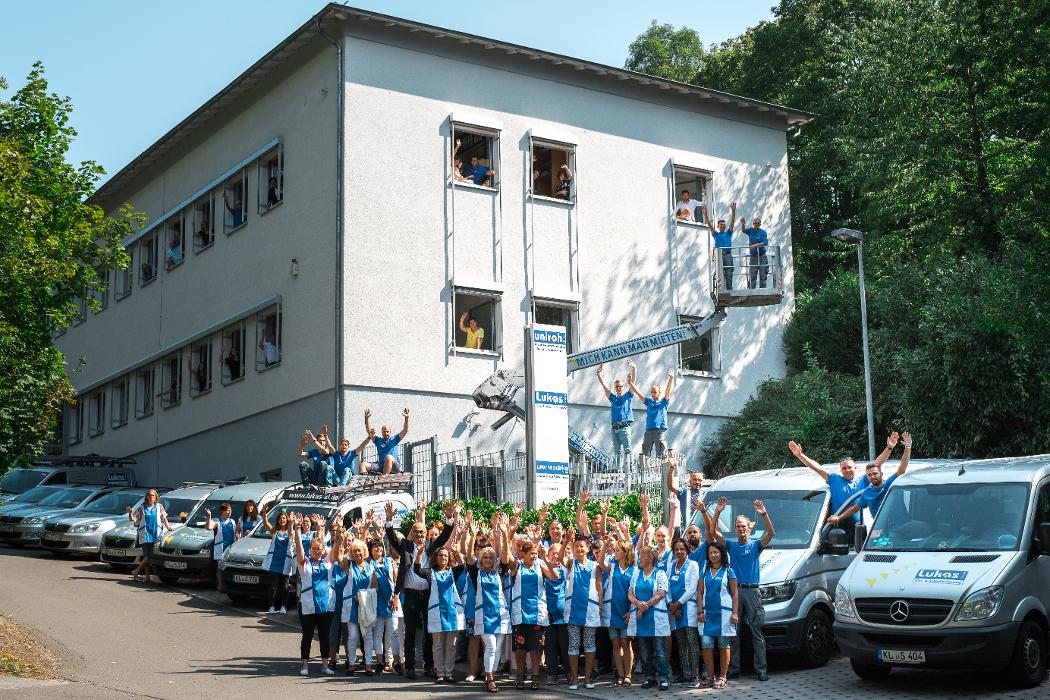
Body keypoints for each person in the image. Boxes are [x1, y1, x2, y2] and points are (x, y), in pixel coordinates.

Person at [702, 497, 775, 681]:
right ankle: (734, 669)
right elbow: (713, 531)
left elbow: (771, 533)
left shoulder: (756, 545)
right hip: (735, 592)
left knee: (757, 632)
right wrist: (718, 511)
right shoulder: (731, 545)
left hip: (752, 591)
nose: (741, 529)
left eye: (744, 526)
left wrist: (764, 514)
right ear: (735, 528)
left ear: (749, 528)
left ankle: (761, 669)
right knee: (733, 633)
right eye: (738, 526)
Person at [384, 499, 456, 680]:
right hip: (411, 595)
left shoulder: (432, 545)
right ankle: (409, 667)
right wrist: (389, 519)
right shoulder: (406, 547)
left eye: (422, 532)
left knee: (429, 632)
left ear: (426, 534)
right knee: (410, 632)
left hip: (429, 595)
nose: (419, 534)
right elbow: (391, 536)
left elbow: (445, 536)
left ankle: (429, 666)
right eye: (416, 532)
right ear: (412, 533)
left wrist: (449, 518)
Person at [788, 432, 899, 539]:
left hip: (857, 526)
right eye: (844, 468)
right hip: (837, 524)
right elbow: (816, 467)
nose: (847, 470)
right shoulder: (834, 479)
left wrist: (889, 448)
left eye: (850, 467)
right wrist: (800, 455)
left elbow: (877, 463)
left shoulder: (864, 480)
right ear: (840, 470)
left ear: (855, 468)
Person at [467, 512, 512, 693]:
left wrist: (502, 532)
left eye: (490, 558)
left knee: (497, 649)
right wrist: (472, 532)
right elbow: (470, 557)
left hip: (500, 614)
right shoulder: (475, 572)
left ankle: (490, 674)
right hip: (484, 616)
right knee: (491, 647)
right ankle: (490, 679)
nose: (487, 560)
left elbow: (506, 556)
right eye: (484, 557)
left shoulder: (498, 572)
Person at [415, 524, 466, 683]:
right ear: (435, 558)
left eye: (445, 556)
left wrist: (457, 552)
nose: (443, 558)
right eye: (440, 556)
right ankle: (440, 672)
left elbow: (463, 566)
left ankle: (449, 673)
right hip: (437, 612)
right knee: (437, 645)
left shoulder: (453, 571)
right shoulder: (430, 573)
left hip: (451, 612)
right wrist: (419, 554)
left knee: (451, 645)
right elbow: (417, 570)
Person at [829, 432, 913, 525]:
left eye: (875, 473)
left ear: (881, 474)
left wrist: (908, 447)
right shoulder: (866, 493)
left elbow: (902, 467)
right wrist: (839, 518)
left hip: (903, 526)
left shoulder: (890, 484)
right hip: (882, 531)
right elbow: (855, 508)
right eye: (869, 475)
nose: (872, 476)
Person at [508, 538, 557, 690]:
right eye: (531, 553)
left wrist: (545, 558)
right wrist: (504, 534)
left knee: (537, 648)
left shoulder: (540, 566)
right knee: (520, 649)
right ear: (523, 554)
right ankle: (521, 677)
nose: (534, 556)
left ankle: (535, 677)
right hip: (520, 614)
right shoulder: (517, 565)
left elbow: (554, 576)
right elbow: (507, 557)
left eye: (536, 554)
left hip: (538, 614)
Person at [292, 512, 335, 676]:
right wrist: (297, 529)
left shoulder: (327, 562)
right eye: (314, 549)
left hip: (325, 605)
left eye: (320, 549)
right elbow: (299, 547)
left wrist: (321, 528)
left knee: (324, 635)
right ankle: (304, 665)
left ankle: (325, 665)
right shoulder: (305, 563)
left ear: (323, 550)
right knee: (307, 636)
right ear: (310, 550)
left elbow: (332, 547)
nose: (317, 551)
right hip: (308, 605)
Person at [627, 544, 671, 690]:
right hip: (641, 619)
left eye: (642, 555)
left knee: (659, 650)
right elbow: (630, 593)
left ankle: (663, 678)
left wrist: (645, 605)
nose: (639, 558)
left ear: (650, 558)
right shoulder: (636, 574)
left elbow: (661, 592)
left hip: (655, 617)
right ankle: (650, 677)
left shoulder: (660, 573)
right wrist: (638, 604)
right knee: (644, 651)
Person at [564, 529, 603, 690]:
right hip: (573, 609)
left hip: (591, 610)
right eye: (576, 547)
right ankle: (574, 679)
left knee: (589, 644)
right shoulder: (570, 563)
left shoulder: (595, 565)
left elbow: (599, 586)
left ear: (587, 548)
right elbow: (560, 557)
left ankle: (587, 678)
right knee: (573, 645)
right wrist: (566, 541)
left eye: (582, 546)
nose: (579, 549)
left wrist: (600, 604)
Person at [697, 540, 738, 690]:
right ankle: (709, 677)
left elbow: (735, 594)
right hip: (707, 614)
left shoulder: (729, 571)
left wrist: (734, 613)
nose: (713, 555)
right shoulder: (704, 570)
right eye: (710, 552)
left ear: (722, 554)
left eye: (716, 552)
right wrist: (700, 611)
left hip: (724, 615)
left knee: (723, 645)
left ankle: (723, 677)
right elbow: (700, 592)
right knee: (707, 645)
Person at [597, 538, 636, 687]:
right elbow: (601, 563)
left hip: (627, 612)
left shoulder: (634, 570)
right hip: (612, 611)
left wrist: (632, 611)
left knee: (626, 643)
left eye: (618, 550)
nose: (615, 552)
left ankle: (628, 674)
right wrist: (605, 546)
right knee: (615, 644)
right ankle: (619, 674)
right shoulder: (613, 567)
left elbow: (636, 593)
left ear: (626, 553)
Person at [337, 536, 377, 676]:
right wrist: (338, 539)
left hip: (365, 607)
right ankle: (351, 664)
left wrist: (364, 595)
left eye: (359, 551)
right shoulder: (349, 565)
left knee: (368, 637)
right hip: (352, 607)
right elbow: (337, 556)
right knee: (352, 637)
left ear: (364, 551)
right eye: (354, 551)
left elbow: (375, 587)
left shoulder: (371, 567)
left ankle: (368, 665)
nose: (357, 554)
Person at [666, 538, 701, 687]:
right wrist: (671, 605)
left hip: (687, 608)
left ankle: (695, 676)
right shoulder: (671, 566)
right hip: (675, 610)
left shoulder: (693, 565)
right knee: (680, 643)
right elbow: (666, 586)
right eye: (676, 549)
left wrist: (677, 605)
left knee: (692, 642)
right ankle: (685, 674)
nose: (679, 552)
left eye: (682, 549)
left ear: (687, 550)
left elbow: (692, 588)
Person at [626, 359, 674, 459]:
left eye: (655, 392)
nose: (652, 394)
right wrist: (630, 383)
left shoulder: (663, 402)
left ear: (659, 392)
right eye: (651, 392)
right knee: (645, 453)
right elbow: (639, 393)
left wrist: (671, 378)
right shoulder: (649, 401)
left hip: (659, 431)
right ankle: (646, 471)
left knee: (661, 453)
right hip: (648, 430)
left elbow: (668, 390)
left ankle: (662, 471)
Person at [367, 538, 402, 674]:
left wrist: (396, 597)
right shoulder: (369, 564)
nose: (378, 548)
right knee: (378, 634)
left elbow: (397, 580)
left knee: (394, 632)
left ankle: (397, 662)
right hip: (376, 602)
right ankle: (380, 662)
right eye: (375, 547)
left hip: (391, 601)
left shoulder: (390, 561)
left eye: (380, 546)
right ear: (370, 550)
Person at [127, 488, 172, 583]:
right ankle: (141, 573)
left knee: (148, 557)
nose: (151, 497)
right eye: (149, 495)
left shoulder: (159, 506)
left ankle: (140, 573)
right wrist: (130, 513)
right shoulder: (142, 507)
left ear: (156, 497)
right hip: (145, 534)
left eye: (153, 495)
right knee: (147, 556)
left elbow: (164, 518)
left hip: (156, 534)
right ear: (146, 497)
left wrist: (168, 527)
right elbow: (133, 519)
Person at [596, 362, 635, 471]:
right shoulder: (613, 398)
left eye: (621, 386)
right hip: (614, 428)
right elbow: (604, 387)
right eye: (617, 386)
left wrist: (634, 368)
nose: (619, 388)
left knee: (628, 450)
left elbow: (633, 383)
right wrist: (599, 374)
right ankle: (619, 472)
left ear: (623, 387)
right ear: (615, 387)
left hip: (624, 427)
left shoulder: (628, 396)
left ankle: (630, 471)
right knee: (618, 452)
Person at [541, 541, 570, 685]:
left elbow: (557, 575)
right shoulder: (544, 569)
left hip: (564, 613)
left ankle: (570, 673)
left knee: (566, 646)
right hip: (549, 613)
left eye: (558, 553)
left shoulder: (565, 569)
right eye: (553, 554)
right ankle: (552, 673)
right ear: (548, 555)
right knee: (550, 646)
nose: (556, 556)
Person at [261, 504, 294, 614]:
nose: (282, 520)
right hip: (274, 562)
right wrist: (264, 513)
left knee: (284, 586)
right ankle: (271, 606)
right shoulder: (274, 531)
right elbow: (266, 524)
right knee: (273, 586)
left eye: (284, 518)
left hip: (285, 562)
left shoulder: (290, 532)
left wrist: (291, 522)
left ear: (287, 520)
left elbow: (290, 530)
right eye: (280, 518)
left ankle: (283, 606)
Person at [702, 202, 737, 290]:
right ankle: (720, 289)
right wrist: (705, 215)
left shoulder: (728, 233)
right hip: (719, 255)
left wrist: (733, 211)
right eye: (721, 225)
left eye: (724, 225)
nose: (723, 226)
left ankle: (729, 288)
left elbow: (732, 222)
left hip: (728, 255)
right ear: (718, 226)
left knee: (729, 272)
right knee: (719, 272)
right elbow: (710, 226)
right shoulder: (716, 234)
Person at [365, 408, 409, 475]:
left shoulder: (395, 439)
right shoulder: (378, 440)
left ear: (390, 432)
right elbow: (369, 432)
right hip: (381, 466)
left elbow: (405, 430)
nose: (386, 433)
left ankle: (384, 478)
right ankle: (363, 483)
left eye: (387, 432)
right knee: (363, 465)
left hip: (394, 467)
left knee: (389, 457)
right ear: (381, 433)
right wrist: (366, 419)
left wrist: (406, 418)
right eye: (384, 432)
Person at [666, 452, 704, 529]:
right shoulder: (685, 493)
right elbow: (671, 486)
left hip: (704, 531)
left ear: (703, 481)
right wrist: (672, 467)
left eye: (699, 480)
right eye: (694, 480)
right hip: (688, 530)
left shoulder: (707, 494)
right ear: (690, 481)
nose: (697, 482)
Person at [740, 215, 769, 289]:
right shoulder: (750, 230)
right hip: (754, 257)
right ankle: (751, 291)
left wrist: (756, 245)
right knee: (752, 275)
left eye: (757, 223)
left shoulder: (763, 232)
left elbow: (765, 242)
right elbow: (743, 230)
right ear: (753, 224)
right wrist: (743, 224)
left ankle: (763, 291)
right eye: (754, 223)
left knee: (763, 274)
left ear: (760, 224)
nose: (756, 224)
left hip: (762, 256)